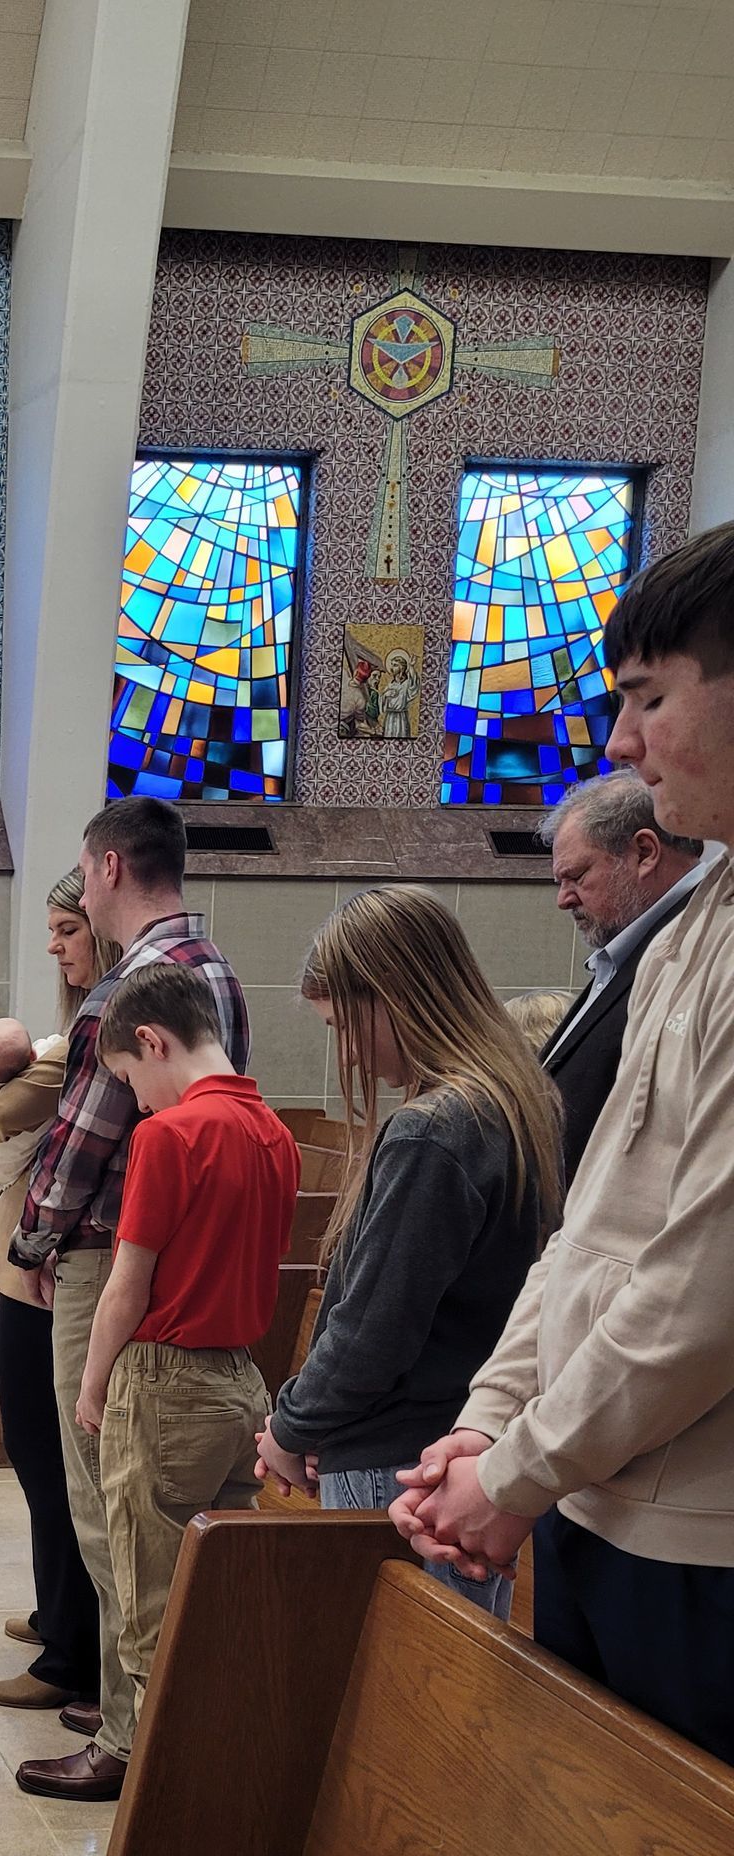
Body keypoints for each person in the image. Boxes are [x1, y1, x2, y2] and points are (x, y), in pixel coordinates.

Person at [393, 523, 734, 1763]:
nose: (619, 743)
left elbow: (706, 1287)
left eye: (648, 697)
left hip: (701, 1530)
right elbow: (592, 1221)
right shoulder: (693, 924)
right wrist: (494, 1423)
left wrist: (519, 1467)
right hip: (598, 1489)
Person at [6, 798, 248, 1803]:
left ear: (109, 868)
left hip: (111, 1256)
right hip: (186, 1272)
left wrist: (31, 1240)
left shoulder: (135, 984)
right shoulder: (217, 968)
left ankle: (127, 1731)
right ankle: (133, 1699)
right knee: (144, 1504)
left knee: (108, 1497)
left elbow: (83, 1138)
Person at [16, 965, 293, 1790]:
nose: (136, 1101)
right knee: (213, 1592)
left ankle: (136, 1763)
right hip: (240, 1380)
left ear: (152, 1040)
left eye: (130, 1079)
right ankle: (205, 1750)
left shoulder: (169, 1135)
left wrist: (92, 1384)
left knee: (146, 1595)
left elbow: (126, 1286)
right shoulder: (271, 1130)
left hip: (165, 1381)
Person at [253, 885, 562, 1622]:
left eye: (343, 1025)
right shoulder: (516, 1100)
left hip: (399, 1461)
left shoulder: (436, 1128)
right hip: (458, 1447)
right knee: (446, 1660)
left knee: (391, 1670)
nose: (346, 1052)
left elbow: (373, 1326)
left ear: (391, 994)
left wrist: (291, 1428)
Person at [0, 873, 110, 1714]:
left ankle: (72, 1653)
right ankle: (57, 1612)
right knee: (38, 1458)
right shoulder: (72, 1031)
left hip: (52, 1270)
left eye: (66, 930)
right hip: (25, 1267)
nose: (53, 945)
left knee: (52, 1460)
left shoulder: (89, 1034)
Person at [534, 773, 708, 1179]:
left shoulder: (695, 945)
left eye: (576, 876)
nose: (564, 899)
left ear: (645, 852)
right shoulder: (626, 950)